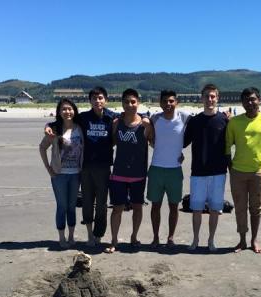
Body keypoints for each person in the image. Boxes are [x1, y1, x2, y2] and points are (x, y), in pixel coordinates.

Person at [45, 87, 117, 246]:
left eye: (100, 98)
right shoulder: (83, 118)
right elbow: (63, 120)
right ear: (90, 101)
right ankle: (89, 235)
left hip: (104, 167)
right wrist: (47, 125)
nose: (97, 101)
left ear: (105, 99)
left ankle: (98, 234)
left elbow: (131, 116)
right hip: (85, 168)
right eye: (94, 98)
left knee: (102, 204)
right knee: (87, 202)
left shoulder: (112, 117)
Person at [225, 87, 261, 254]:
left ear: (259, 100)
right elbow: (227, 147)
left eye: (253, 99)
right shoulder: (235, 122)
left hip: (258, 172)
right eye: (246, 100)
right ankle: (241, 240)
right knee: (240, 208)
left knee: (256, 208)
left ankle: (254, 239)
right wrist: (231, 169)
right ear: (242, 103)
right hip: (238, 172)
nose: (250, 103)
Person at [183, 84, 230, 252]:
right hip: (198, 172)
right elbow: (182, 142)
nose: (210, 99)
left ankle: (211, 240)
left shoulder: (225, 120)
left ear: (217, 98)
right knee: (196, 209)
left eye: (213, 96)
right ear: (201, 98)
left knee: (215, 209)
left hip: (218, 172)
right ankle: (195, 239)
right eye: (207, 96)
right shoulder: (195, 121)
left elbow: (233, 142)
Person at [106, 89, 153, 253]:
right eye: (126, 102)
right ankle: (113, 240)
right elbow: (111, 143)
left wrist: (148, 128)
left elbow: (153, 142)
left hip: (138, 174)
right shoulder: (116, 123)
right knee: (117, 208)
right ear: (122, 104)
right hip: (118, 173)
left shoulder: (145, 124)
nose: (130, 105)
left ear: (138, 103)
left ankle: (134, 236)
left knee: (137, 207)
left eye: (133, 102)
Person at [147, 90, 190, 247]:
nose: (168, 104)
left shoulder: (184, 117)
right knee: (155, 206)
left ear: (176, 102)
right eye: (165, 101)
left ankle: (171, 237)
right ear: (160, 103)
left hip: (175, 169)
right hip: (156, 168)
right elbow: (148, 135)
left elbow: (198, 128)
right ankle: (155, 238)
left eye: (171, 101)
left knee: (174, 206)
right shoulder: (155, 118)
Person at [39, 98, 83, 248]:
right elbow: (42, 148)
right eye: (64, 109)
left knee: (72, 206)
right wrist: (48, 168)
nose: (67, 112)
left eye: (70, 109)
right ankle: (61, 237)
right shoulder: (54, 130)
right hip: (59, 175)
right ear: (59, 112)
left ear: (74, 111)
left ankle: (71, 236)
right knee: (62, 206)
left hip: (76, 174)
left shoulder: (80, 128)